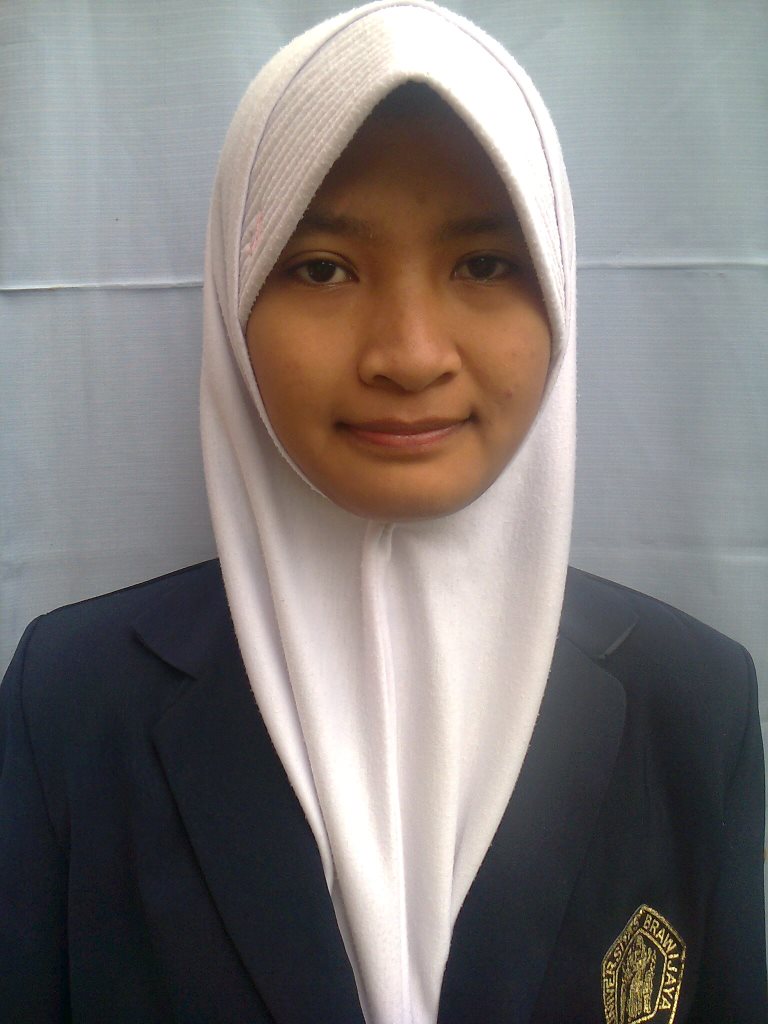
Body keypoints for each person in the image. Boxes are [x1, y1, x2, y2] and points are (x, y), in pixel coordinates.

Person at [0, 2, 764, 1021]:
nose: (408, 354)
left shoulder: (692, 703)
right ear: (234, 298)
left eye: (485, 264)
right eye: (323, 268)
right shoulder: (72, 702)